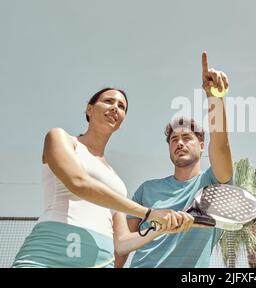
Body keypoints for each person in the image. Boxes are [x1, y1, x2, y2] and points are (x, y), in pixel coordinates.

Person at [12, 88, 193, 268]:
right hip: (51, 252)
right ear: (89, 110)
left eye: (121, 106)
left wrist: (159, 228)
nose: (115, 107)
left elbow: (122, 243)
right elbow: (79, 183)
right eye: (108, 101)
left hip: (101, 262)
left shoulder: (117, 182)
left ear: (120, 122)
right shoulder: (62, 138)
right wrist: (149, 213)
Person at [116, 52, 233, 268]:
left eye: (187, 138)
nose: (179, 143)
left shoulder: (213, 184)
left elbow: (221, 143)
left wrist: (214, 97)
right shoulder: (146, 189)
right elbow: (122, 245)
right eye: (174, 139)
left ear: (201, 146)